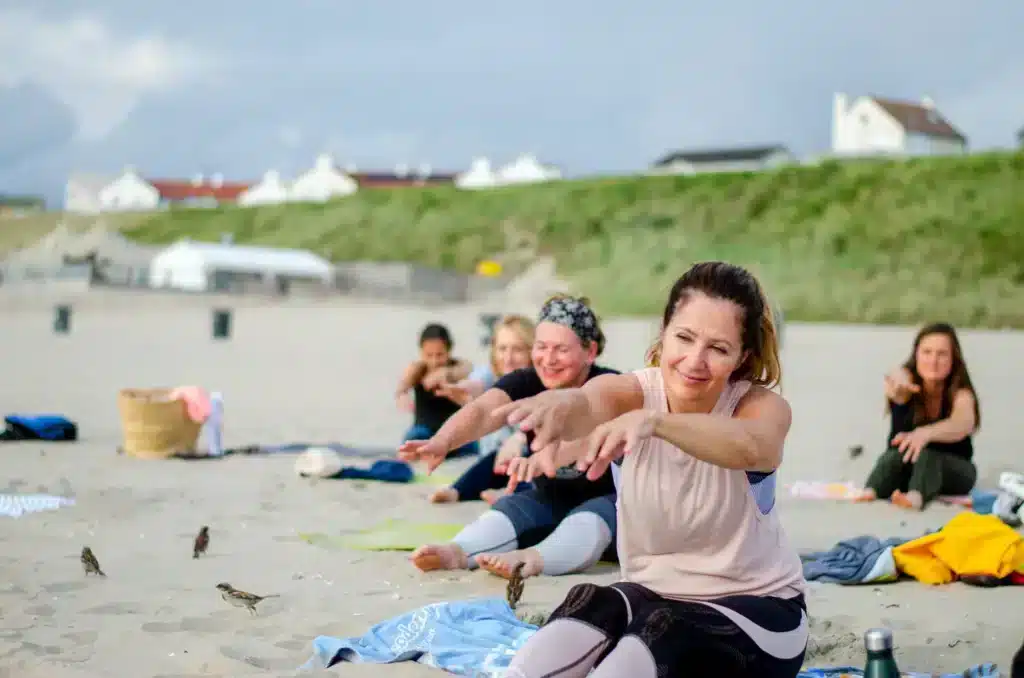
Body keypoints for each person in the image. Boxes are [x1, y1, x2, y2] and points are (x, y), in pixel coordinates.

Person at [498, 261, 807, 678]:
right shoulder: (633, 391)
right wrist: (559, 406)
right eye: (684, 338)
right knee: (592, 599)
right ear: (663, 333)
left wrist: (657, 423)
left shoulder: (759, 406)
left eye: (718, 348)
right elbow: (589, 402)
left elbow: (754, 448)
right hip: (655, 598)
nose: (694, 361)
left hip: (760, 614)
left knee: (665, 631)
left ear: (741, 357)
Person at [398, 294, 619, 580]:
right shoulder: (527, 381)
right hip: (551, 497)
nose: (548, 359)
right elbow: (483, 410)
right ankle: (458, 552)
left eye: (561, 349)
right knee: (513, 507)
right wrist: (443, 441)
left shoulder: (609, 386)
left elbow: (594, 433)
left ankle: (534, 560)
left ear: (590, 351)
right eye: (541, 347)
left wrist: (545, 457)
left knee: (589, 518)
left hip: (611, 502)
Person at [860, 322, 980, 510]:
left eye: (941, 354)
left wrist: (925, 434)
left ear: (953, 359)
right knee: (892, 457)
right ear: (916, 355)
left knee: (928, 456)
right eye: (927, 352)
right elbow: (897, 378)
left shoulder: (961, 393)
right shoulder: (906, 384)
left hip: (955, 472)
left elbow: (963, 423)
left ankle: (915, 499)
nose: (933, 361)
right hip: (908, 468)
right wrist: (897, 381)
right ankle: (871, 491)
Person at [428, 315, 536, 504]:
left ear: (533, 352)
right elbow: (477, 383)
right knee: (489, 461)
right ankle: (457, 491)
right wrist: (464, 389)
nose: (508, 358)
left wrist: (519, 439)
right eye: (502, 349)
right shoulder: (490, 374)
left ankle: (514, 494)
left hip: (528, 461)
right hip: (495, 463)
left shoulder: (541, 383)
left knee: (526, 458)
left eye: (517, 350)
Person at [394, 323, 477, 457]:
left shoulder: (459, 367)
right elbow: (402, 388)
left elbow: (468, 368)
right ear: (421, 352)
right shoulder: (417, 370)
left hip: (453, 432)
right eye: (429, 355)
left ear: (449, 351)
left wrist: (446, 374)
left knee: (472, 443)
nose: (434, 361)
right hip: (424, 430)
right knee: (414, 437)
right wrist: (402, 396)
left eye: (439, 355)